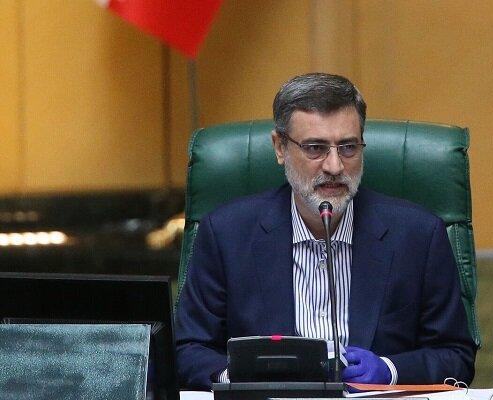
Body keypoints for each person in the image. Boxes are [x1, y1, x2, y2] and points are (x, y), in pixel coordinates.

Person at [175, 73, 476, 390]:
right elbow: (187, 350)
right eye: (315, 148)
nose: (335, 166)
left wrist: (390, 370)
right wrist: (240, 376)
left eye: (348, 147)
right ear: (280, 148)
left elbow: (455, 354)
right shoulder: (226, 235)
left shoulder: (419, 236)